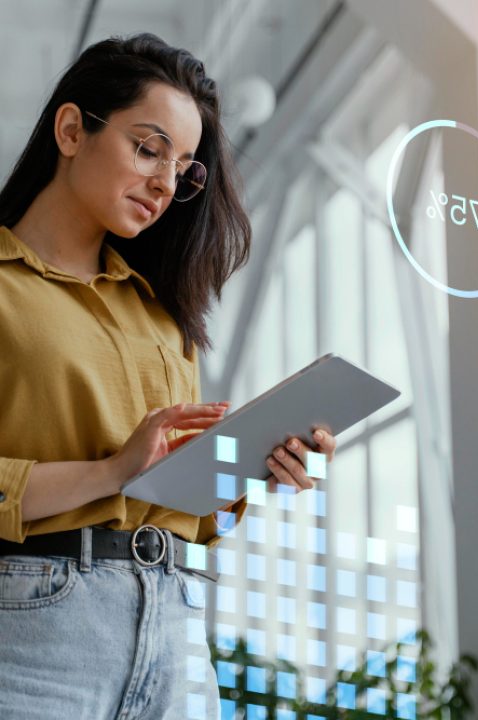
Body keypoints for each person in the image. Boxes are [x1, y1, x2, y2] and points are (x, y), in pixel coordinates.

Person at [0, 32, 337, 719]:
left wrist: (252, 466)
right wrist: (111, 471)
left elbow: (182, 507)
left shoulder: (161, 317)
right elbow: (124, 475)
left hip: (178, 628)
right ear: (71, 130)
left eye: (184, 167)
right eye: (148, 148)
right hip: (36, 628)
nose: (165, 182)